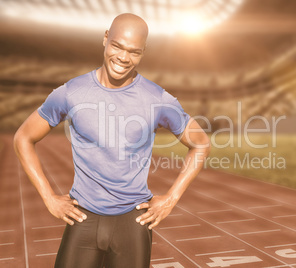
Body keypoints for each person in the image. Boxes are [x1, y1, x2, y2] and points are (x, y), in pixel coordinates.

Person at [13, 13, 210, 267]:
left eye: (134, 52)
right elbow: (23, 138)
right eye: (117, 46)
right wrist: (49, 197)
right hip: (82, 219)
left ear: (143, 52)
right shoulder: (71, 92)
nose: (124, 58)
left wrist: (170, 199)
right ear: (105, 38)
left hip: (133, 223)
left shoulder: (157, 99)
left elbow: (200, 143)